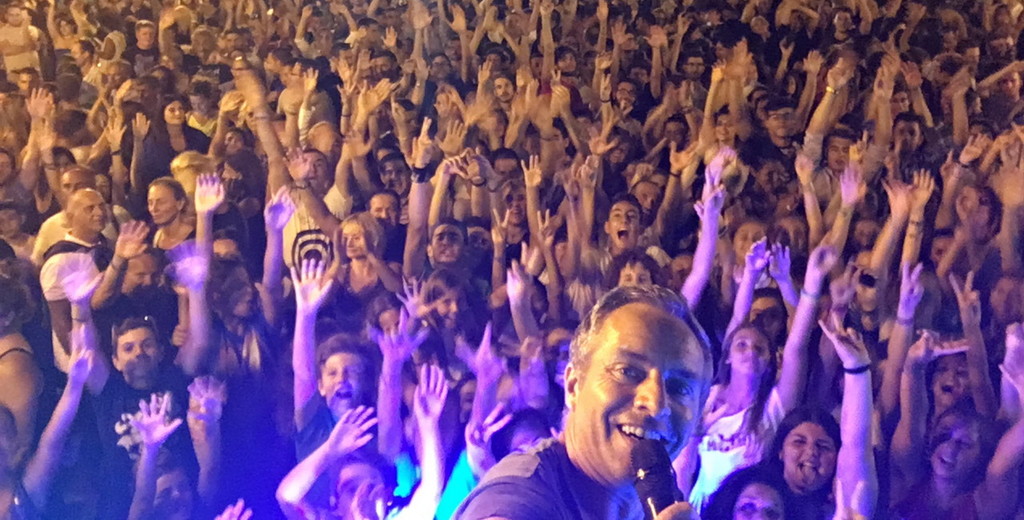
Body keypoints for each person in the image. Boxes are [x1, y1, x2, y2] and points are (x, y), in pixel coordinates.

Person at [454, 285, 713, 520]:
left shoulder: (661, 494)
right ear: (573, 385)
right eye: (628, 371)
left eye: (679, 388)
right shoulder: (520, 498)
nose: (655, 403)